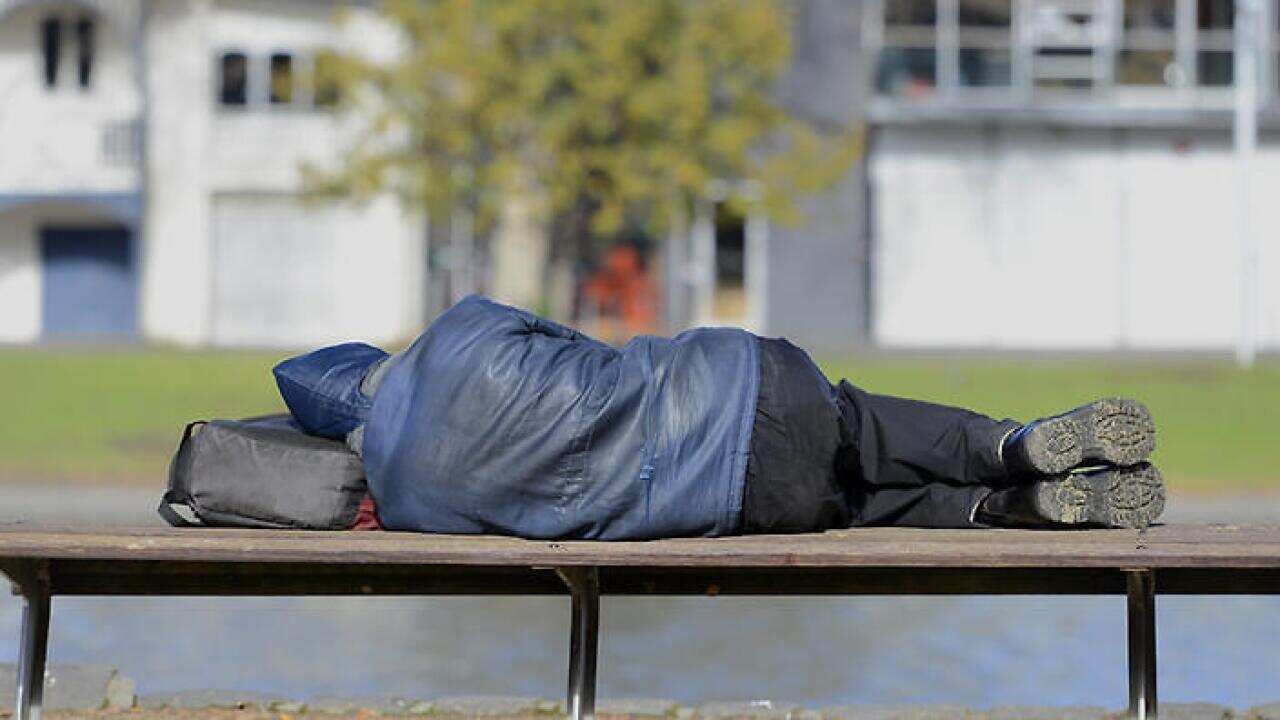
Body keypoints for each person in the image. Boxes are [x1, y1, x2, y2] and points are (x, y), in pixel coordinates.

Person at [272, 295, 1164, 540]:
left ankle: (1000, 511)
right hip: (747, 383)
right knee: (857, 424)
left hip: (735, 502)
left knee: (842, 506)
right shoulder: (461, 329)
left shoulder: (410, 497)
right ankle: (1011, 449)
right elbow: (575, 349)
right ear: (371, 366)